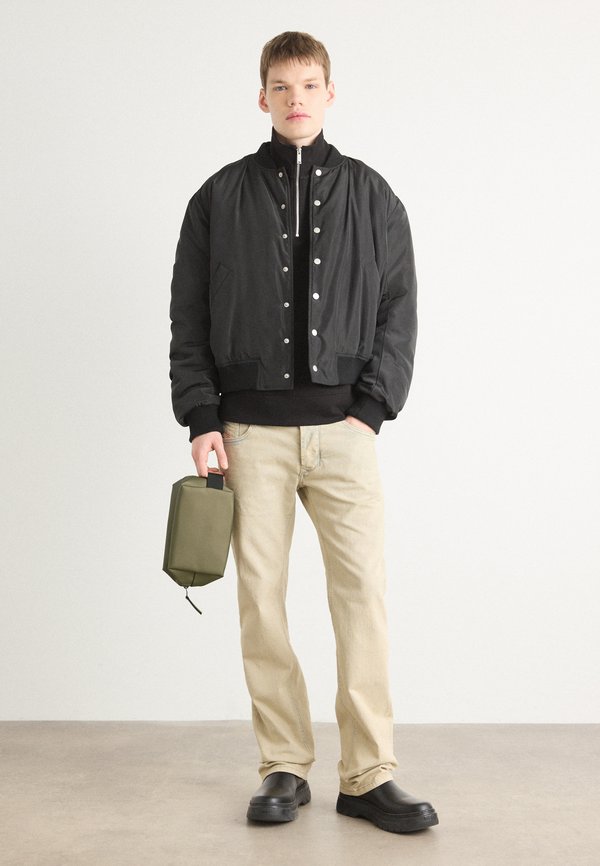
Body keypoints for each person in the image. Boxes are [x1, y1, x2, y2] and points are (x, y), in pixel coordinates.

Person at [168, 30, 439, 834]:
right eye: (282, 86)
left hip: (346, 433)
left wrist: (372, 409)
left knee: (363, 601)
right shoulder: (218, 198)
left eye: (309, 85)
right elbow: (188, 317)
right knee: (261, 604)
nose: (296, 99)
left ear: (329, 94)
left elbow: (399, 311)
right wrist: (202, 416)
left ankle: (369, 774)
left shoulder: (373, 196)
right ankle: (283, 766)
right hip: (249, 435)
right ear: (263, 97)